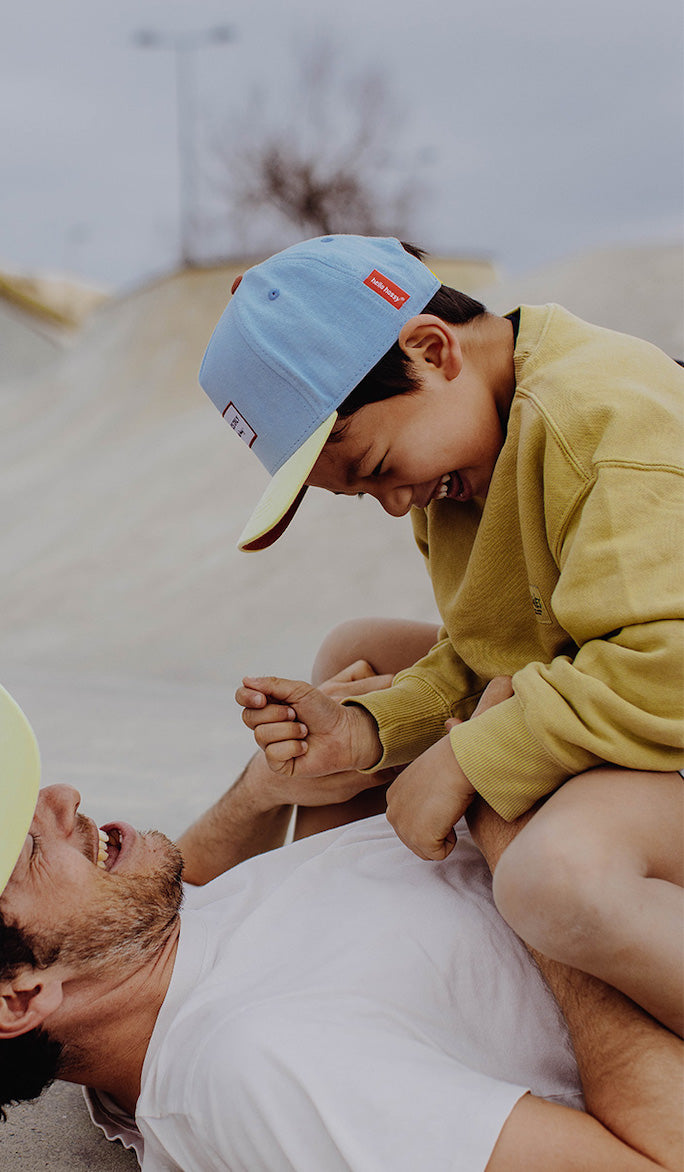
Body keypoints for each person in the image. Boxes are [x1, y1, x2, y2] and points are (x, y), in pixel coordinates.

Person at [0, 672, 683, 1171]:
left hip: (595, 838)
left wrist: (265, 793)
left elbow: (180, 899)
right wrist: (508, 832)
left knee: (358, 653)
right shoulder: (252, 1074)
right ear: (18, 998)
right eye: (22, 842)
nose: (59, 796)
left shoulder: (134, 988)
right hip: (602, 886)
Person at [197, 234, 684, 1036]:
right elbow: (487, 648)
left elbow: (665, 665)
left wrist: (469, 758)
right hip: (623, 691)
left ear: (431, 350)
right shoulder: (461, 459)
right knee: (355, 653)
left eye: (381, 468)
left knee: (555, 878)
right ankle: (353, 962)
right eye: (361, 494)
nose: (395, 505)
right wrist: (364, 734)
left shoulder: (602, 414)